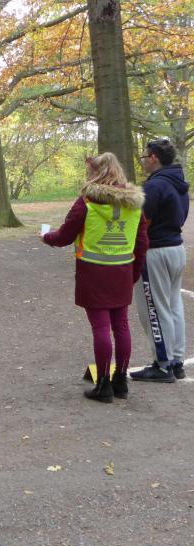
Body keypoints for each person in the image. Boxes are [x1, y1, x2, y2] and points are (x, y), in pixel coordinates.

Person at [41, 153, 148, 402]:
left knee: (100, 328)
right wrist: (133, 273)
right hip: (122, 271)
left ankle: (103, 385)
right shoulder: (134, 204)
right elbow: (142, 242)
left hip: (93, 273)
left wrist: (46, 237)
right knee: (121, 326)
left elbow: (65, 235)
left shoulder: (87, 201)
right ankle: (120, 381)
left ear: (96, 172)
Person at [130, 139, 189, 383]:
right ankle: (175, 361)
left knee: (153, 309)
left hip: (155, 251)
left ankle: (163, 365)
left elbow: (142, 222)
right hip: (176, 248)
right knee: (173, 306)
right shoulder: (178, 183)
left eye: (145, 157)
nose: (143, 162)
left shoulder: (154, 185)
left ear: (154, 157)